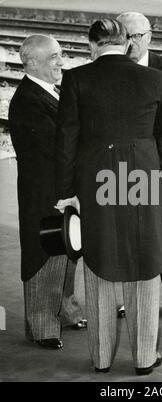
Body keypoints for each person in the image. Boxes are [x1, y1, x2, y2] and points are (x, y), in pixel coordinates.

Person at [55, 18, 162, 375]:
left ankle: (101, 358)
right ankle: (144, 359)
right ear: (126, 43)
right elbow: (161, 133)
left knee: (100, 264)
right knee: (144, 265)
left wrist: (66, 194)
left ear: (92, 45)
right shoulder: (155, 78)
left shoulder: (77, 79)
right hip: (142, 180)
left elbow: (66, 141)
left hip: (96, 182)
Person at [8, 35, 86, 350]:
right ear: (34, 62)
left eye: (60, 54)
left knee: (68, 252)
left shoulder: (50, 92)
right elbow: (54, 149)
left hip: (63, 191)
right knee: (45, 255)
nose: (61, 61)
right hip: (45, 194)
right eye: (54, 56)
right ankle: (42, 326)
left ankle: (66, 311)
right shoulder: (28, 100)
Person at [117, 11, 162, 321]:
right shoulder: (111, 70)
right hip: (124, 168)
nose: (132, 42)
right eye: (126, 36)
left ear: (150, 36)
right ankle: (125, 298)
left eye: (138, 35)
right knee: (127, 233)